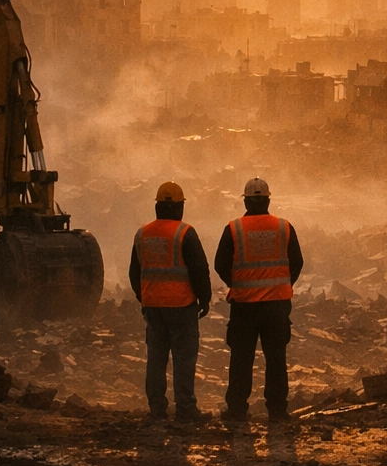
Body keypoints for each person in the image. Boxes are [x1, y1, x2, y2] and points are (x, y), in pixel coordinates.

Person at [213, 177, 303, 422]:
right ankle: (276, 410)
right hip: (276, 307)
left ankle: (237, 410)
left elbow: (220, 264)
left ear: (246, 201)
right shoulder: (284, 227)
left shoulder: (234, 229)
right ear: (267, 200)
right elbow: (297, 263)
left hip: (244, 307)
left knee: (241, 359)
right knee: (276, 359)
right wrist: (282, 285)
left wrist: (238, 284)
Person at [129, 181, 213, 423]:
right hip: (181, 306)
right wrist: (204, 298)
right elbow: (199, 270)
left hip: (153, 307)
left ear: (157, 207)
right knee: (184, 359)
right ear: (178, 208)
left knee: (156, 357)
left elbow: (135, 272)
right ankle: (186, 408)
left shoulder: (142, 234)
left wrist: (143, 296)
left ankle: (157, 408)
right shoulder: (185, 233)